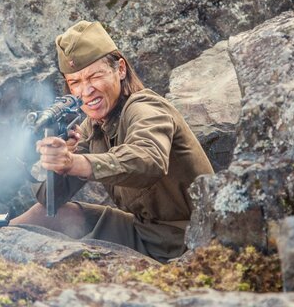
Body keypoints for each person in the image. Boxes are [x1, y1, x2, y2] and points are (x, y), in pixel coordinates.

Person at [11, 20, 214, 262]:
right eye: (75, 82)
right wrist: (46, 159)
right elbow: (50, 201)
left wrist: (73, 162)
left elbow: (149, 160)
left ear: (120, 69)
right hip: (145, 233)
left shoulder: (146, 107)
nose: (86, 91)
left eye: (94, 76)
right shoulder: (92, 127)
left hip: (192, 240)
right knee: (46, 216)